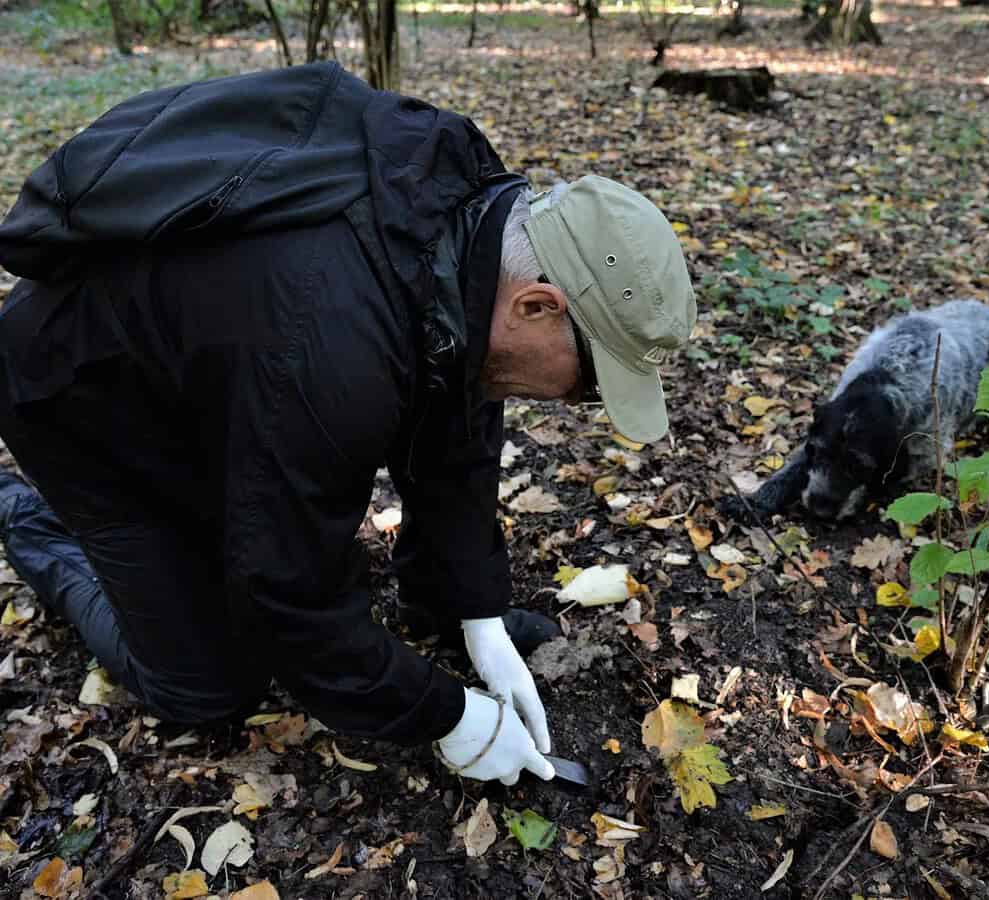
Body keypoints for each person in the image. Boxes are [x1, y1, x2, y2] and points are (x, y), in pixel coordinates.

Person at [0, 62, 695, 786]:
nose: (575, 399)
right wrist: (444, 714)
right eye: (589, 381)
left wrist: (473, 612)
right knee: (208, 686)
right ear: (537, 307)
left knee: (248, 532)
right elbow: (285, 594)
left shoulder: (468, 222)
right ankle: (25, 517)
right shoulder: (326, 340)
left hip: (216, 373)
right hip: (81, 396)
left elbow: (456, 428)